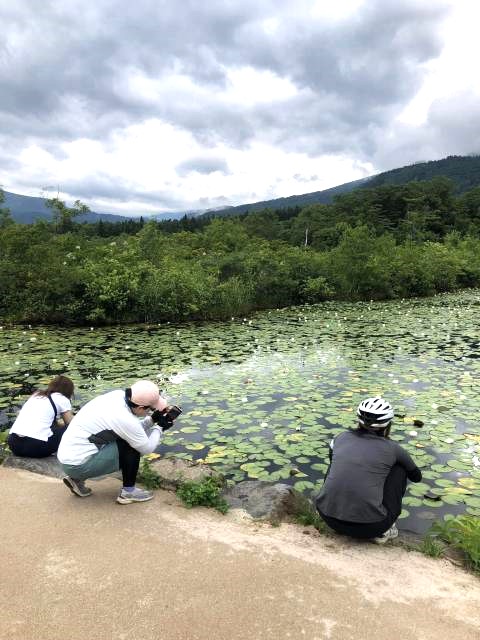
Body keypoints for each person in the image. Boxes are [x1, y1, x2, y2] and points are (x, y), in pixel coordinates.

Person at [315, 396, 422, 544]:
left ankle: (333, 505)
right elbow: (416, 477)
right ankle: (386, 529)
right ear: (387, 425)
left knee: (336, 460)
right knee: (399, 469)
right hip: (371, 528)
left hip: (328, 518)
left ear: (359, 420)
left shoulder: (339, 438)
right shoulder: (393, 449)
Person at [57, 380, 180, 505]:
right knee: (132, 446)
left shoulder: (117, 396)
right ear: (140, 407)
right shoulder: (125, 419)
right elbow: (146, 448)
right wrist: (159, 428)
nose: (150, 412)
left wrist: (152, 419)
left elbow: (130, 429)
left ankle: (76, 480)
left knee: (128, 439)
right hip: (77, 465)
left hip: (68, 457)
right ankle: (128, 492)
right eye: (150, 410)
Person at [7, 375, 75, 458]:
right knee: (73, 428)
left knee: (53, 428)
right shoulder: (62, 398)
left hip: (14, 443)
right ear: (69, 390)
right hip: (36, 447)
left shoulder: (36, 395)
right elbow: (71, 424)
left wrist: (58, 423)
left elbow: (36, 419)